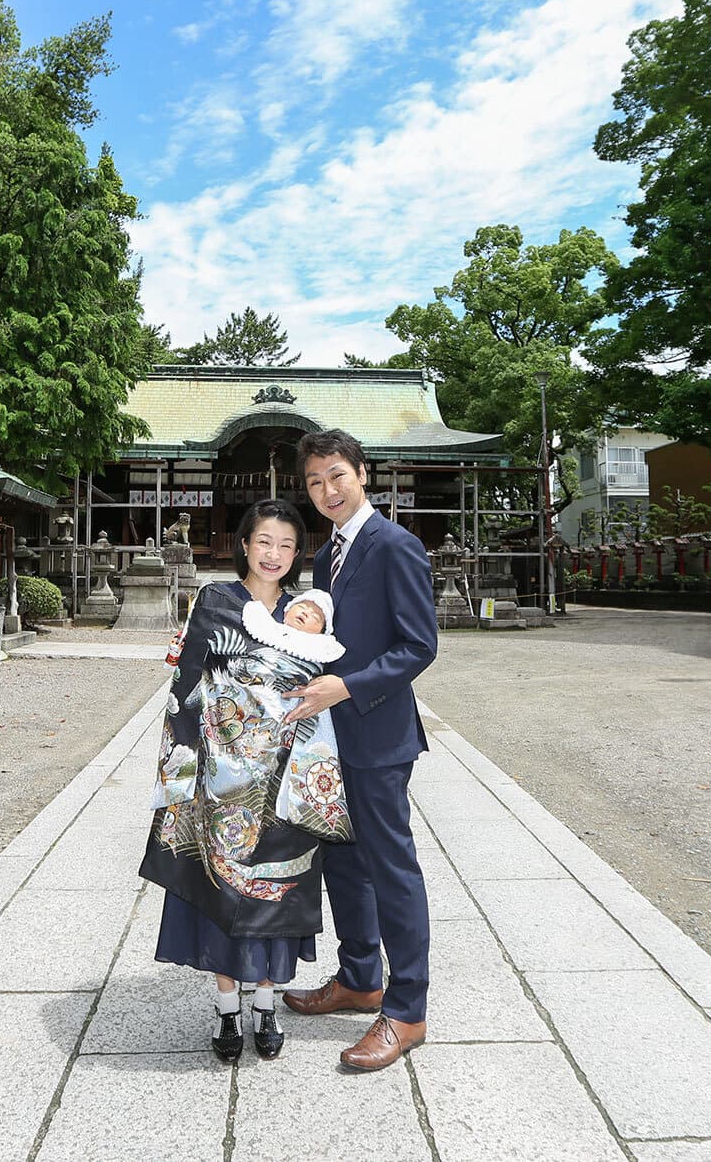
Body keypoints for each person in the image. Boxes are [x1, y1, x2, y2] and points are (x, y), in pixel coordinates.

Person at [140, 499, 344, 1062]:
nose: (273, 554)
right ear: (244, 545)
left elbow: (317, 686)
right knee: (219, 890)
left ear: (297, 552)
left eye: (285, 545)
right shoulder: (216, 600)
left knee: (277, 893)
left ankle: (266, 1005)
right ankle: (229, 1011)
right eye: (263, 542)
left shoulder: (309, 617)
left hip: (283, 777)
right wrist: (178, 777)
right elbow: (187, 684)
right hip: (219, 774)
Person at [281, 429, 439, 1071]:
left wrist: (345, 687)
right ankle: (358, 977)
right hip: (332, 737)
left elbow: (418, 645)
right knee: (343, 862)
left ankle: (406, 1010)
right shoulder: (327, 558)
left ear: (363, 473)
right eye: (315, 482)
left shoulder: (395, 545)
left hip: (377, 732)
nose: (327, 490)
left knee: (390, 865)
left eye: (337, 475)